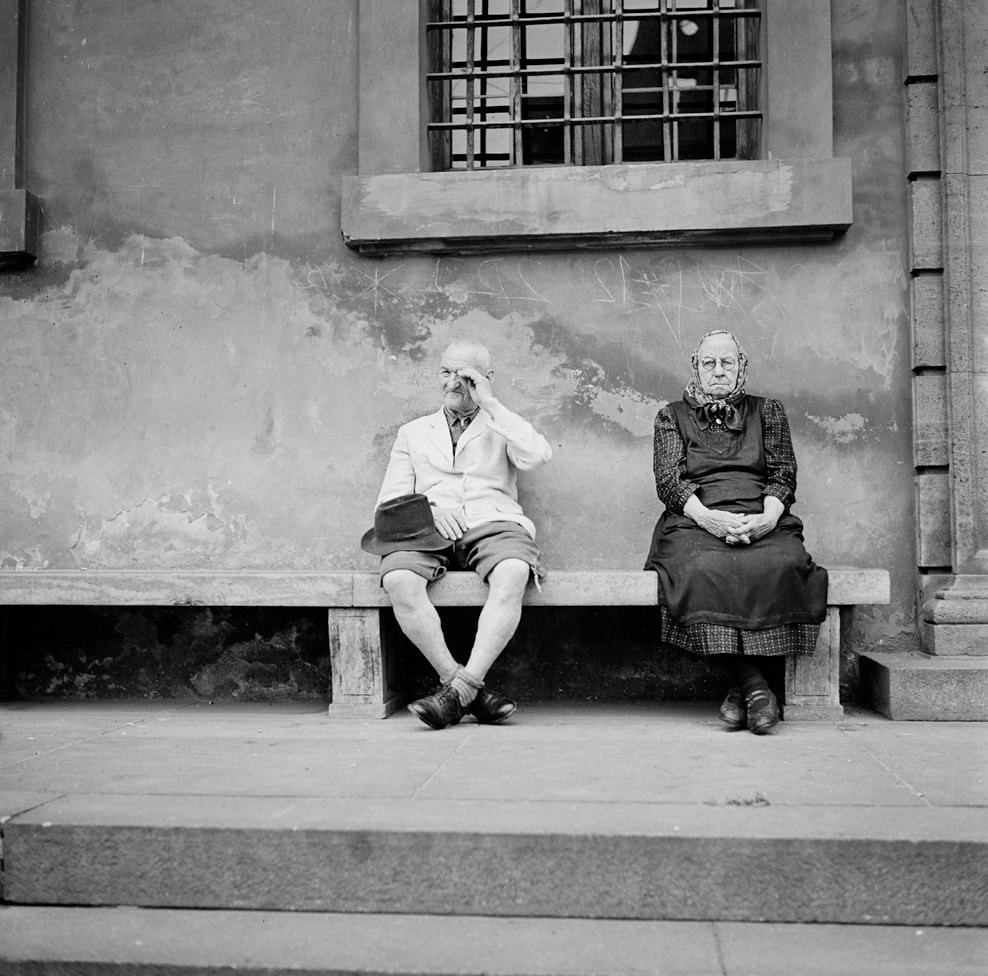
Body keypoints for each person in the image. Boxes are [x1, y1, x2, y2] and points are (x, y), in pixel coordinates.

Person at [643, 330, 828, 734]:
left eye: (727, 362)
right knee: (701, 568)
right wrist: (709, 519)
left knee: (784, 563)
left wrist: (767, 519)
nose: (718, 371)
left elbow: (783, 474)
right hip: (694, 520)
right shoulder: (671, 416)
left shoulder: (768, 411)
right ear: (696, 367)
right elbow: (669, 483)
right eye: (709, 363)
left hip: (761, 515)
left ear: (742, 366)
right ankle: (757, 689)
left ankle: (739, 690)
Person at [361, 341, 552, 730]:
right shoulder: (413, 432)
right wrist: (430, 510)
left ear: (485, 379)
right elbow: (389, 501)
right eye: (446, 372)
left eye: (465, 376)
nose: (452, 383)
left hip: (492, 520)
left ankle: (456, 691)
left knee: (514, 571)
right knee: (398, 579)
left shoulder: (500, 423)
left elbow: (537, 455)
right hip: (426, 529)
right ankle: (463, 686)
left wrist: (491, 404)